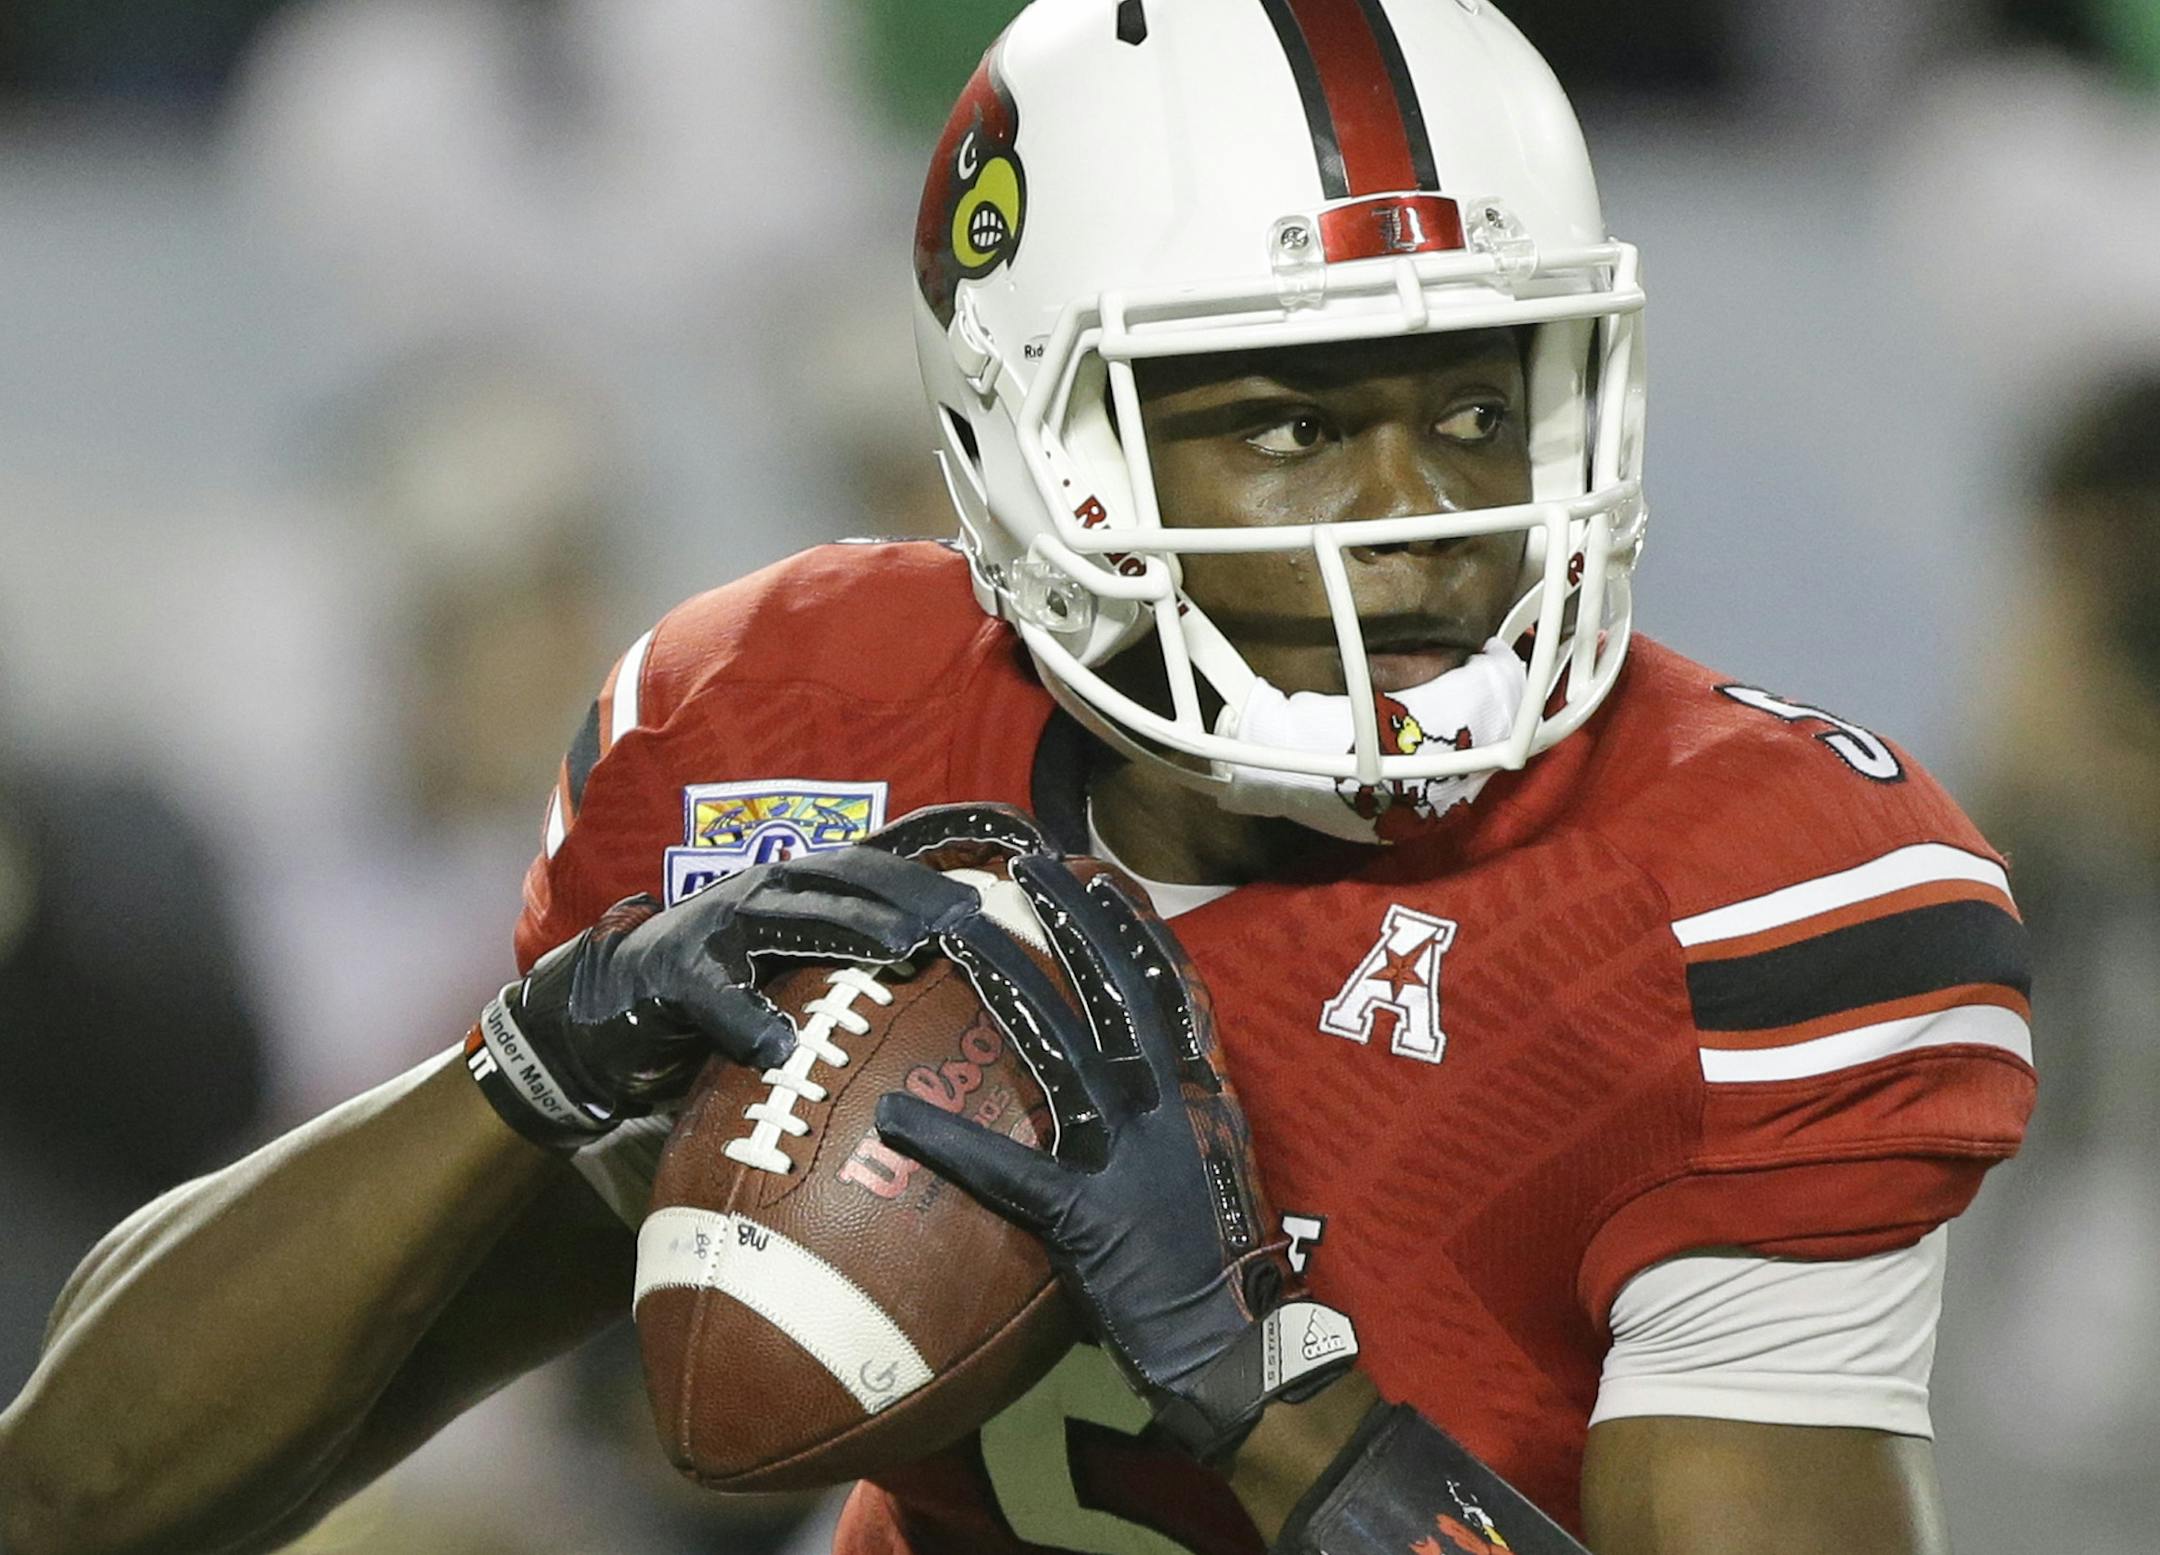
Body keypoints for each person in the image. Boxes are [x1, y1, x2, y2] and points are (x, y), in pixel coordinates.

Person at [0, 3, 2034, 1553]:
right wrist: (525, 1071)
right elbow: (77, 1496)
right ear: (1039, 440)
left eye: (1481, 404)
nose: (1421, 513)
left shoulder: (1749, 891)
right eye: (1298, 425)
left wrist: (1274, 1410)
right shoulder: (786, 737)